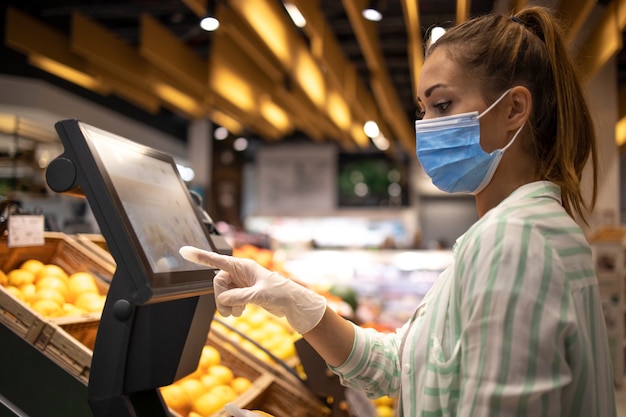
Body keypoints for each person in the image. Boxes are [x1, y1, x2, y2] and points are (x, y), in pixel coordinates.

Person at [180, 6, 616, 416]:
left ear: (514, 109)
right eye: (423, 110)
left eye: (442, 105)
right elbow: (397, 365)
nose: (425, 127)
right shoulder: (511, 234)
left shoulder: (516, 243)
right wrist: (292, 300)